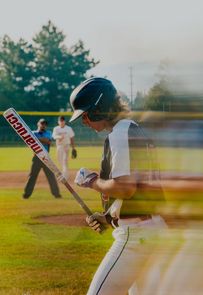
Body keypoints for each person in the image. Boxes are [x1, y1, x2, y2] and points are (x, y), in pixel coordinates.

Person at [69, 77, 167, 295]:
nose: (84, 121)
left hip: (137, 235)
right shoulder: (134, 129)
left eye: (85, 115)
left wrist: (91, 181)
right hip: (152, 229)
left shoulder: (120, 134)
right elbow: (138, 190)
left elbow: (125, 188)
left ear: (99, 109)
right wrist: (108, 217)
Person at [23, 118, 61, 199]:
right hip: (36, 157)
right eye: (42, 123)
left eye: (45, 124)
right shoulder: (33, 133)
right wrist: (41, 140)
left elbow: (48, 141)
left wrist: (36, 139)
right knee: (32, 176)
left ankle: (56, 194)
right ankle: (27, 194)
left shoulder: (48, 133)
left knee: (51, 176)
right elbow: (30, 142)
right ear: (38, 124)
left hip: (46, 157)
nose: (43, 125)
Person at [52, 116, 77, 180]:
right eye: (60, 121)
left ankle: (65, 176)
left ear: (64, 121)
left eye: (63, 121)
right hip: (59, 146)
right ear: (58, 122)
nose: (62, 122)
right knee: (60, 160)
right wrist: (59, 137)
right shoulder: (56, 128)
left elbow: (72, 138)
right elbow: (54, 136)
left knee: (65, 160)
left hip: (66, 145)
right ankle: (62, 173)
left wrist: (73, 148)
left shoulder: (68, 128)